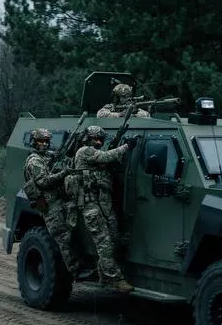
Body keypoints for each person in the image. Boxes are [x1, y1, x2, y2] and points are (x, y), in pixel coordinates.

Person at [68, 124, 138, 292]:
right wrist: (126, 146)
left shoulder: (95, 154)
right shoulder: (84, 151)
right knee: (104, 242)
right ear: (87, 139)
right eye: (95, 139)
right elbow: (106, 156)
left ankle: (103, 273)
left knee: (114, 240)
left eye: (100, 139)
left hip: (104, 204)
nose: (98, 142)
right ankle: (114, 279)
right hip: (90, 205)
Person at [22, 128, 79, 276]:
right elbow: (44, 182)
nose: (44, 145)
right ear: (34, 142)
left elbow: (60, 157)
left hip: (58, 200)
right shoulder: (34, 161)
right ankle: (75, 270)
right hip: (49, 204)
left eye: (46, 142)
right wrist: (63, 173)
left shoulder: (48, 156)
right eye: (40, 141)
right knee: (62, 237)